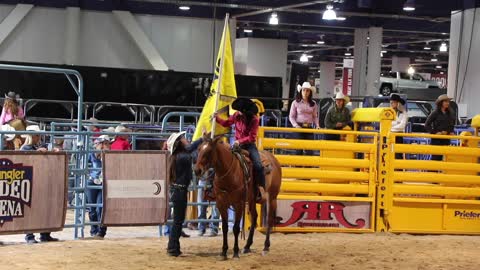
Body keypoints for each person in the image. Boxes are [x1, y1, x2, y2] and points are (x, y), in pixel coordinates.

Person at [215, 97, 266, 202]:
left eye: (239, 110)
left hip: (249, 146)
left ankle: (260, 188)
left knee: (258, 165)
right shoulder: (237, 115)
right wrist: (217, 118)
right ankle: (213, 188)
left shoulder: (254, 120)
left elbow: (252, 137)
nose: (237, 112)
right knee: (221, 159)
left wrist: (240, 141)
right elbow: (227, 123)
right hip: (237, 145)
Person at [166, 131, 204, 257]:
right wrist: (201, 139)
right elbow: (191, 151)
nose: (185, 139)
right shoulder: (182, 156)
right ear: (179, 143)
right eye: (182, 138)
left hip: (178, 191)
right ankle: (172, 247)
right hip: (180, 192)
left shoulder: (178, 156)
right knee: (178, 221)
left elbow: (190, 150)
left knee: (178, 220)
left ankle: (174, 246)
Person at [21, 125, 59, 244]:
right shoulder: (25, 149)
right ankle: (30, 235)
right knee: (31, 209)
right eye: (37, 135)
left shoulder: (36, 147)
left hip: (39, 180)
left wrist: (52, 151)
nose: (39, 138)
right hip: (30, 181)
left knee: (43, 207)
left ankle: (44, 234)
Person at [87, 135, 111, 238]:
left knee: (100, 207)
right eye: (104, 143)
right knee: (92, 208)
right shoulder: (91, 154)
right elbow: (84, 164)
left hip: (104, 182)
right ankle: (94, 230)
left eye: (107, 143)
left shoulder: (110, 155)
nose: (107, 145)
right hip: (92, 181)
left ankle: (101, 231)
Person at [289, 82, 320, 155]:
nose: (305, 92)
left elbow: (315, 116)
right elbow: (291, 116)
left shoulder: (314, 104)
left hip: (309, 128)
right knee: (298, 150)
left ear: (310, 92)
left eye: (307, 90)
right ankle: (297, 166)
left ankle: (308, 166)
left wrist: (317, 125)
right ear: (301, 91)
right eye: (304, 90)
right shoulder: (295, 102)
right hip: (298, 127)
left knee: (309, 150)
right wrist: (296, 125)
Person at [424, 94, 456, 161]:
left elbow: (452, 124)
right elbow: (427, 124)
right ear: (441, 103)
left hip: (446, 139)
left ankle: (442, 171)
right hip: (437, 140)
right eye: (445, 101)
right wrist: (435, 132)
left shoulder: (450, 113)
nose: (447, 103)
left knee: (445, 158)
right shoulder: (435, 112)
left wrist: (450, 132)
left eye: (448, 101)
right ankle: (433, 171)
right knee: (436, 158)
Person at [197, 168, 219, 237]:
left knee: (215, 206)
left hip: (215, 178)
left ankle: (214, 228)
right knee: (201, 206)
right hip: (203, 178)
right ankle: (201, 227)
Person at [390, 94, 408, 159]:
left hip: (398, 136)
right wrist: (396, 124)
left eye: (393, 102)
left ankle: (398, 169)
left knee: (398, 155)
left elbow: (402, 126)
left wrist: (391, 129)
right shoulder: (388, 112)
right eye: (391, 102)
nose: (391, 104)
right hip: (389, 136)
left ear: (398, 103)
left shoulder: (403, 113)